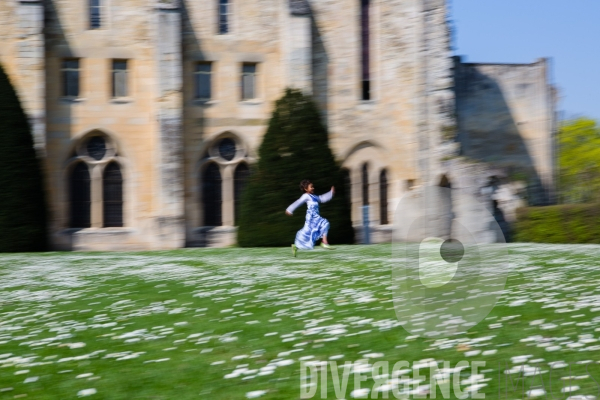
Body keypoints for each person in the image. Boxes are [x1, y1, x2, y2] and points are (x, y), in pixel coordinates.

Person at [285, 180, 335, 257]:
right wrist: (289, 209)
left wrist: (330, 193)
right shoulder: (306, 196)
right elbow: (298, 202)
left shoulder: (314, 196)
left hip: (315, 217)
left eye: (313, 186)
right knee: (322, 225)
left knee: (322, 225)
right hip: (311, 218)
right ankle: (324, 242)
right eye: (311, 187)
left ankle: (323, 242)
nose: (313, 188)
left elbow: (322, 198)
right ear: (306, 189)